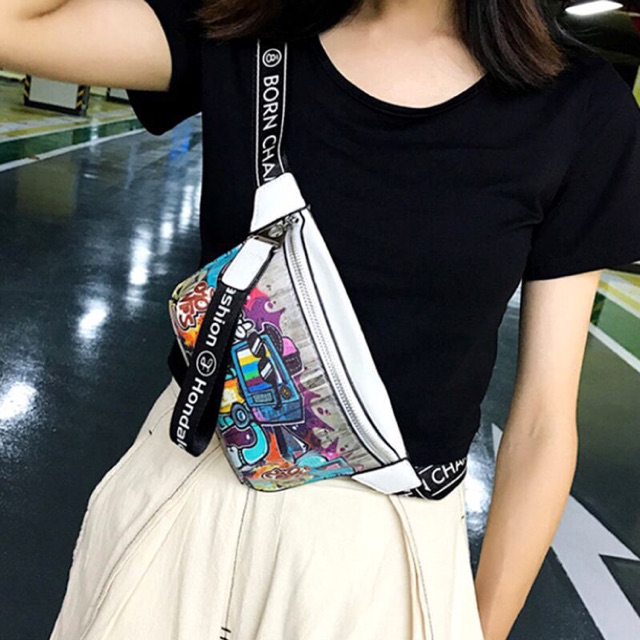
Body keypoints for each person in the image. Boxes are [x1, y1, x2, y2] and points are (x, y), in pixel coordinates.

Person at [2, 1, 640, 639]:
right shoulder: (245, 25)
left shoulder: (579, 106)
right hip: (188, 499)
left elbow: (542, 423)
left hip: (385, 557)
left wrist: (488, 625)